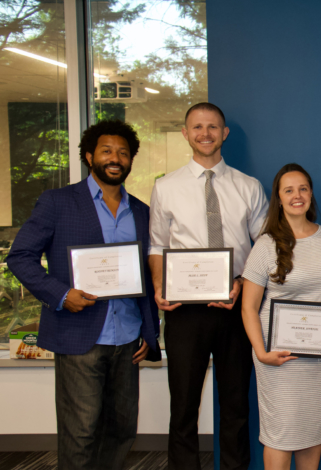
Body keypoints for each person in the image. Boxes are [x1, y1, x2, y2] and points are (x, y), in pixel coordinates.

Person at [6, 120, 161, 469]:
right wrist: (61, 295)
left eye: (123, 152)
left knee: (121, 429)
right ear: (89, 156)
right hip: (79, 335)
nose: (115, 158)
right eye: (107, 150)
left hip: (128, 338)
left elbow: (148, 276)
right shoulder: (57, 202)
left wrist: (149, 333)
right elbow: (20, 257)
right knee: (81, 432)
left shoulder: (141, 211)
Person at [148, 102, 269, 470]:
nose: (205, 133)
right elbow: (157, 245)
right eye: (197, 127)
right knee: (182, 405)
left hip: (236, 309)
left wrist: (241, 285)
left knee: (235, 404)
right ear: (186, 133)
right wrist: (158, 286)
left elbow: (265, 246)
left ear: (224, 134)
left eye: (213, 127)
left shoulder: (249, 187)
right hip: (184, 312)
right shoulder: (165, 187)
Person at [241, 163, 321, 470]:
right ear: (279, 198)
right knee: (280, 436)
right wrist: (262, 353)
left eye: (302, 188)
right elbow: (248, 306)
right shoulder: (266, 244)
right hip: (281, 358)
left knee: (313, 432)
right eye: (288, 190)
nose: (297, 195)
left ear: (311, 193)